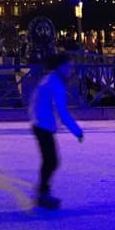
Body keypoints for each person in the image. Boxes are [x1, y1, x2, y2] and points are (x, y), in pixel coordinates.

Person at [29, 52, 84, 209]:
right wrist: (77, 131)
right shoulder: (56, 83)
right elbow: (62, 111)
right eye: (68, 67)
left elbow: (34, 100)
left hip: (41, 124)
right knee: (51, 161)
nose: (70, 70)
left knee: (50, 160)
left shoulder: (49, 79)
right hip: (43, 126)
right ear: (60, 67)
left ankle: (42, 192)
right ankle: (42, 193)